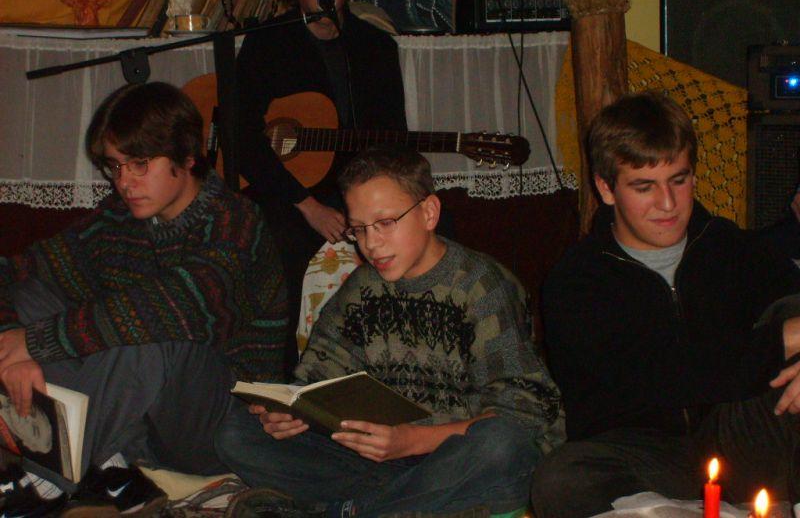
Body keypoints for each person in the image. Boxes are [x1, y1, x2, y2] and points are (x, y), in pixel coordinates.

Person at [215, 147, 564, 518]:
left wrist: (411, 440)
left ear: (429, 213)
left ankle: (347, 510)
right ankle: (392, 507)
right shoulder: (361, 288)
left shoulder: (482, 286)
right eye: (359, 229)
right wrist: (292, 413)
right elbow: (318, 375)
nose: (371, 243)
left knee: (500, 445)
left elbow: (522, 412)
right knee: (238, 432)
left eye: (384, 223)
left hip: (455, 456)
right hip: (385, 462)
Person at [0, 82, 287, 516]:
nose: (124, 182)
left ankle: (49, 479)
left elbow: (178, 306)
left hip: (219, 426)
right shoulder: (117, 219)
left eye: (140, 164)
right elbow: (15, 272)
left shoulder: (236, 221)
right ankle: (114, 469)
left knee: (155, 331)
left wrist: (35, 342)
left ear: (187, 157)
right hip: (137, 420)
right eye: (115, 166)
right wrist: (12, 343)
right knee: (30, 297)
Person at [530, 91, 800, 518]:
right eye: (645, 187)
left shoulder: (729, 246)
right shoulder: (576, 282)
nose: (668, 204)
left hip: (741, 443)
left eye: (679, 179)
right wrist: (785, 339)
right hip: (646, 457)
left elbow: (789, 301)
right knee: (560, 477)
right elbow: (662, 376)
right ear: (606, 188)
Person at [235, 0, 407, 376]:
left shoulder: (375, 48)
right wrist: (308, 205)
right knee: (277, 247)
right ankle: (278, 380)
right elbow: (243, 138)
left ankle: (397, 371)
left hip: (359, 189)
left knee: (424, 230)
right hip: (287, 192)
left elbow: (394, 138)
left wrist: (373, 206)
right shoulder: (267, 42)